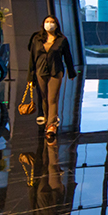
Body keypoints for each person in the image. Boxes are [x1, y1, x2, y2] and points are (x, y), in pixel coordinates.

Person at [29, 16, 75, 144]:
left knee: (52, 98)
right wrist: (30, 76)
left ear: (56, 24)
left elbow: (68, 57)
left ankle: (51, 125)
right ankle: (47, 118)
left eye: (52, 22)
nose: (49, 24)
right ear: (43, 24)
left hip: (56, 71)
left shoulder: (62, 40)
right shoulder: (37, 39)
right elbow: (32, 58)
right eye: (47, 22)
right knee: (44, 98)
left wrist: (71, 72)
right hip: (40, 72)